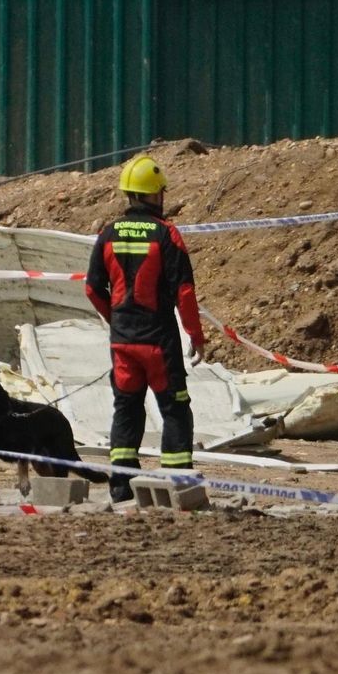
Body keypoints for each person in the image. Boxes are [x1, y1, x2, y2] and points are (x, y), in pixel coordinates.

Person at [85, 153, 205, 503]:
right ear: (154, 194)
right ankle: (178, 485)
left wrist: (116, 319)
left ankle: (121, 488)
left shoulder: (107, 233)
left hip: (123, 342)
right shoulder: (166, 234)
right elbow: (184, 291)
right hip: (159, 341)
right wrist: (196, 336)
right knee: (175, 408)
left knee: (126, 409)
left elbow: (92, 288)